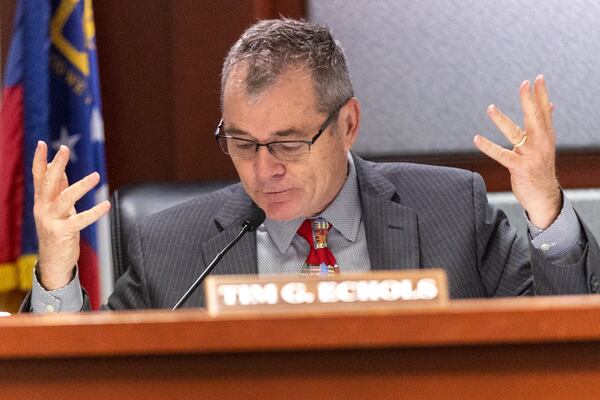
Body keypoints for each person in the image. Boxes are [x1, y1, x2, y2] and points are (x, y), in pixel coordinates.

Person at [24, 18, 600, 312]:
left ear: (347, 124)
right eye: (242, 142)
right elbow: (90, 378)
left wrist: (546, 208)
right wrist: (56, 274)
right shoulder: (173, 245)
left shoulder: (449, 209)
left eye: (288, 142)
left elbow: (561, 336)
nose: (263, 169)